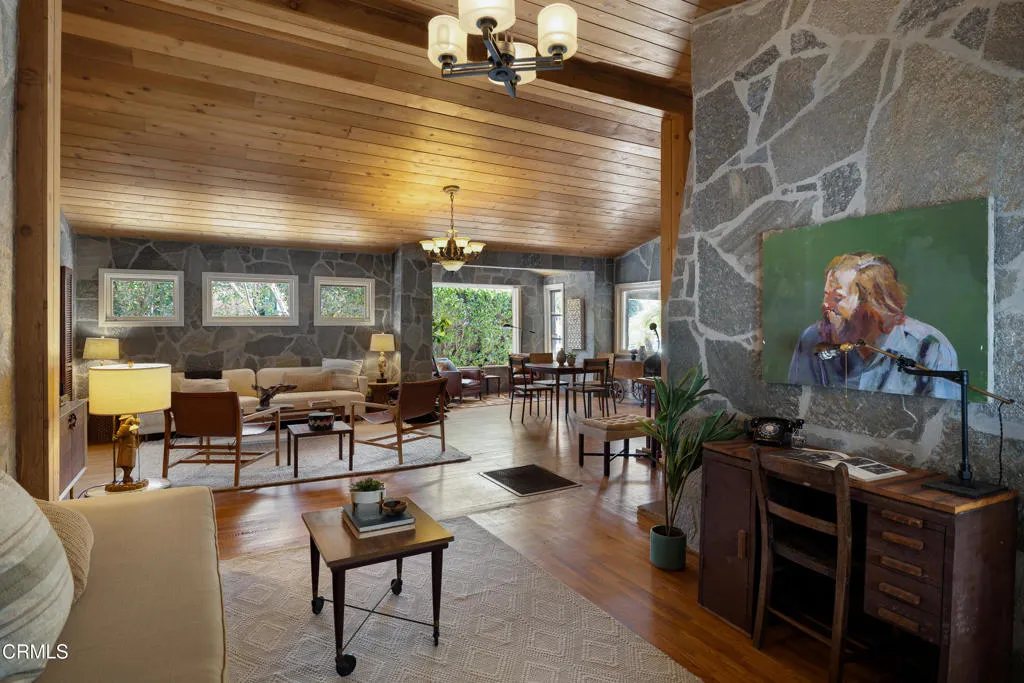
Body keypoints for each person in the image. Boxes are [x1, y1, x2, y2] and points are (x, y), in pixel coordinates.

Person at [787, 252, 959, 399]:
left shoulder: (930, 348)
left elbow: (943, 419)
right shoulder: (812, 339)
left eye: (838, 298)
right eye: (826, 295)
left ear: (874, 305)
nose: (826, 304)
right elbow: (797, 405)